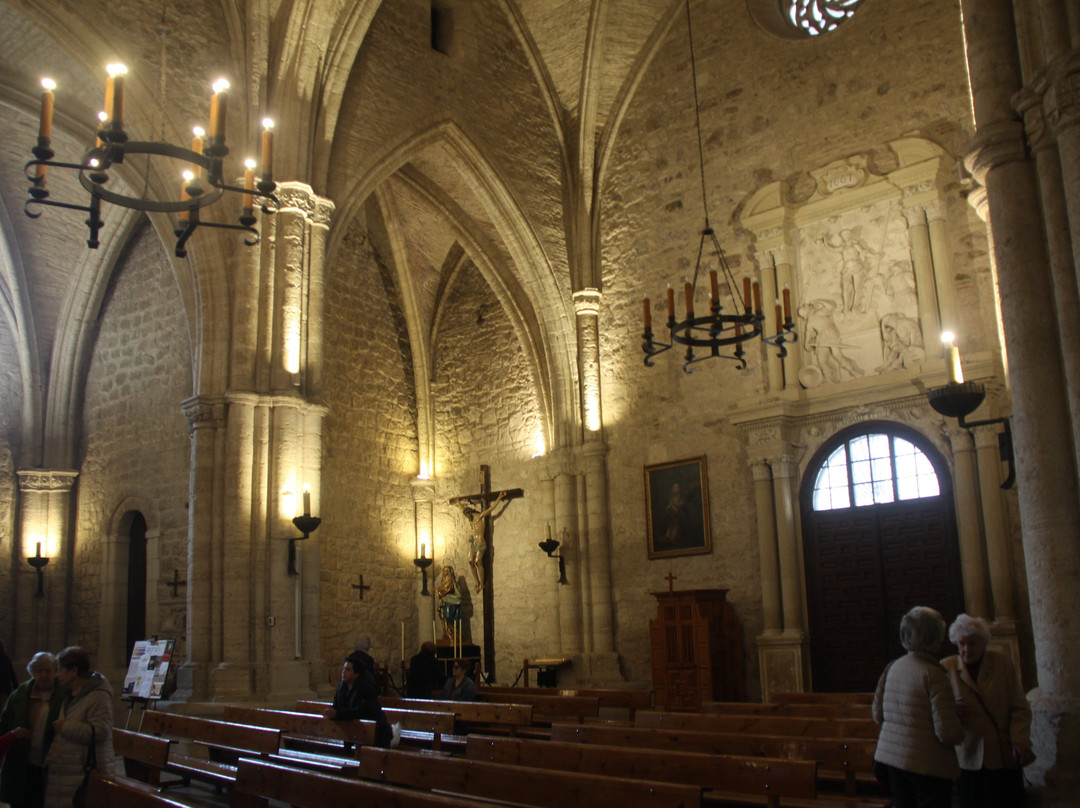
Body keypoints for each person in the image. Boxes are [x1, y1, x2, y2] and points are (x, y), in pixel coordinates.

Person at [872, 606, 964, 808]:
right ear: (935, 636)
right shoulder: (933, 673)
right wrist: (961, 727)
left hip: (892, 760)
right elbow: (947, 733)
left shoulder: (893, 666)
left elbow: (878, 714)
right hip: (927, 765)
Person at [942, 614, 1033, 807]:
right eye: (962, 644)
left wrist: (1020, 739)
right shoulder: (946, 668)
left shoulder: (1002, 664)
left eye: (973, 643)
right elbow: (936, 709)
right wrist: (951, 708)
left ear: (984, 643)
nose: (967, 649)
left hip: (1001, 755)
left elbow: (1019, 708)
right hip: (968, 757)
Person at [43, 647, 115, 808]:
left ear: (74, 671)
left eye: (61, 670)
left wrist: (66, 727)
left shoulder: (98, 695)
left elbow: (100, 731)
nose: (57, 675)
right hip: (66, 769)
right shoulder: (70, 694)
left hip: (84, 770)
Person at [0, 652, 65, 808]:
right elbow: (4, 723)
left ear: (56, 672)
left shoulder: (64, 695)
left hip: (50, 761)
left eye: (48, 671)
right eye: (39, 671)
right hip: (22, 761)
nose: (43, 675)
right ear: (33, 672)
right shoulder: (20, 694)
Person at [323, 655, 393, 748]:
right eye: (343, 669)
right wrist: (331, 711)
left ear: (356, 674)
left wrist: (337, 713)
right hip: (353, 734)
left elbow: (359, 712)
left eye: (348, 670)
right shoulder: (342, 687)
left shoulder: (365, 687)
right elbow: (337, 704)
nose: (343, 672)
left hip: (374, 734)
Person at [457, 490, 506, 592]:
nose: (468, 518)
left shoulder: (479, 516)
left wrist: (500, 497)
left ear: (471, 513)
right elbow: (462, 508)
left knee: (477, 561)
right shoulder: (469, 517)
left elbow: (491, 508)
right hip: (473, 542)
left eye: (468, 516)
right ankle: (477, 582)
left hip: (480, 542)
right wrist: (458, 502)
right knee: (470, 561)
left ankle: (482, 583)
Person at [435, 565, 463, 642]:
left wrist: (438, 591)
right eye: (443, 571)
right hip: (445, 603)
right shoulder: (444, 581)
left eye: (446, 571)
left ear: (449, 572)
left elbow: (445, 591)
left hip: (450, 604)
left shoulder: (450, 581)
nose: (444, 572)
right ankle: (448, 635)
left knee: (448, 617)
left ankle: (454, 635)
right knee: (444, 619)